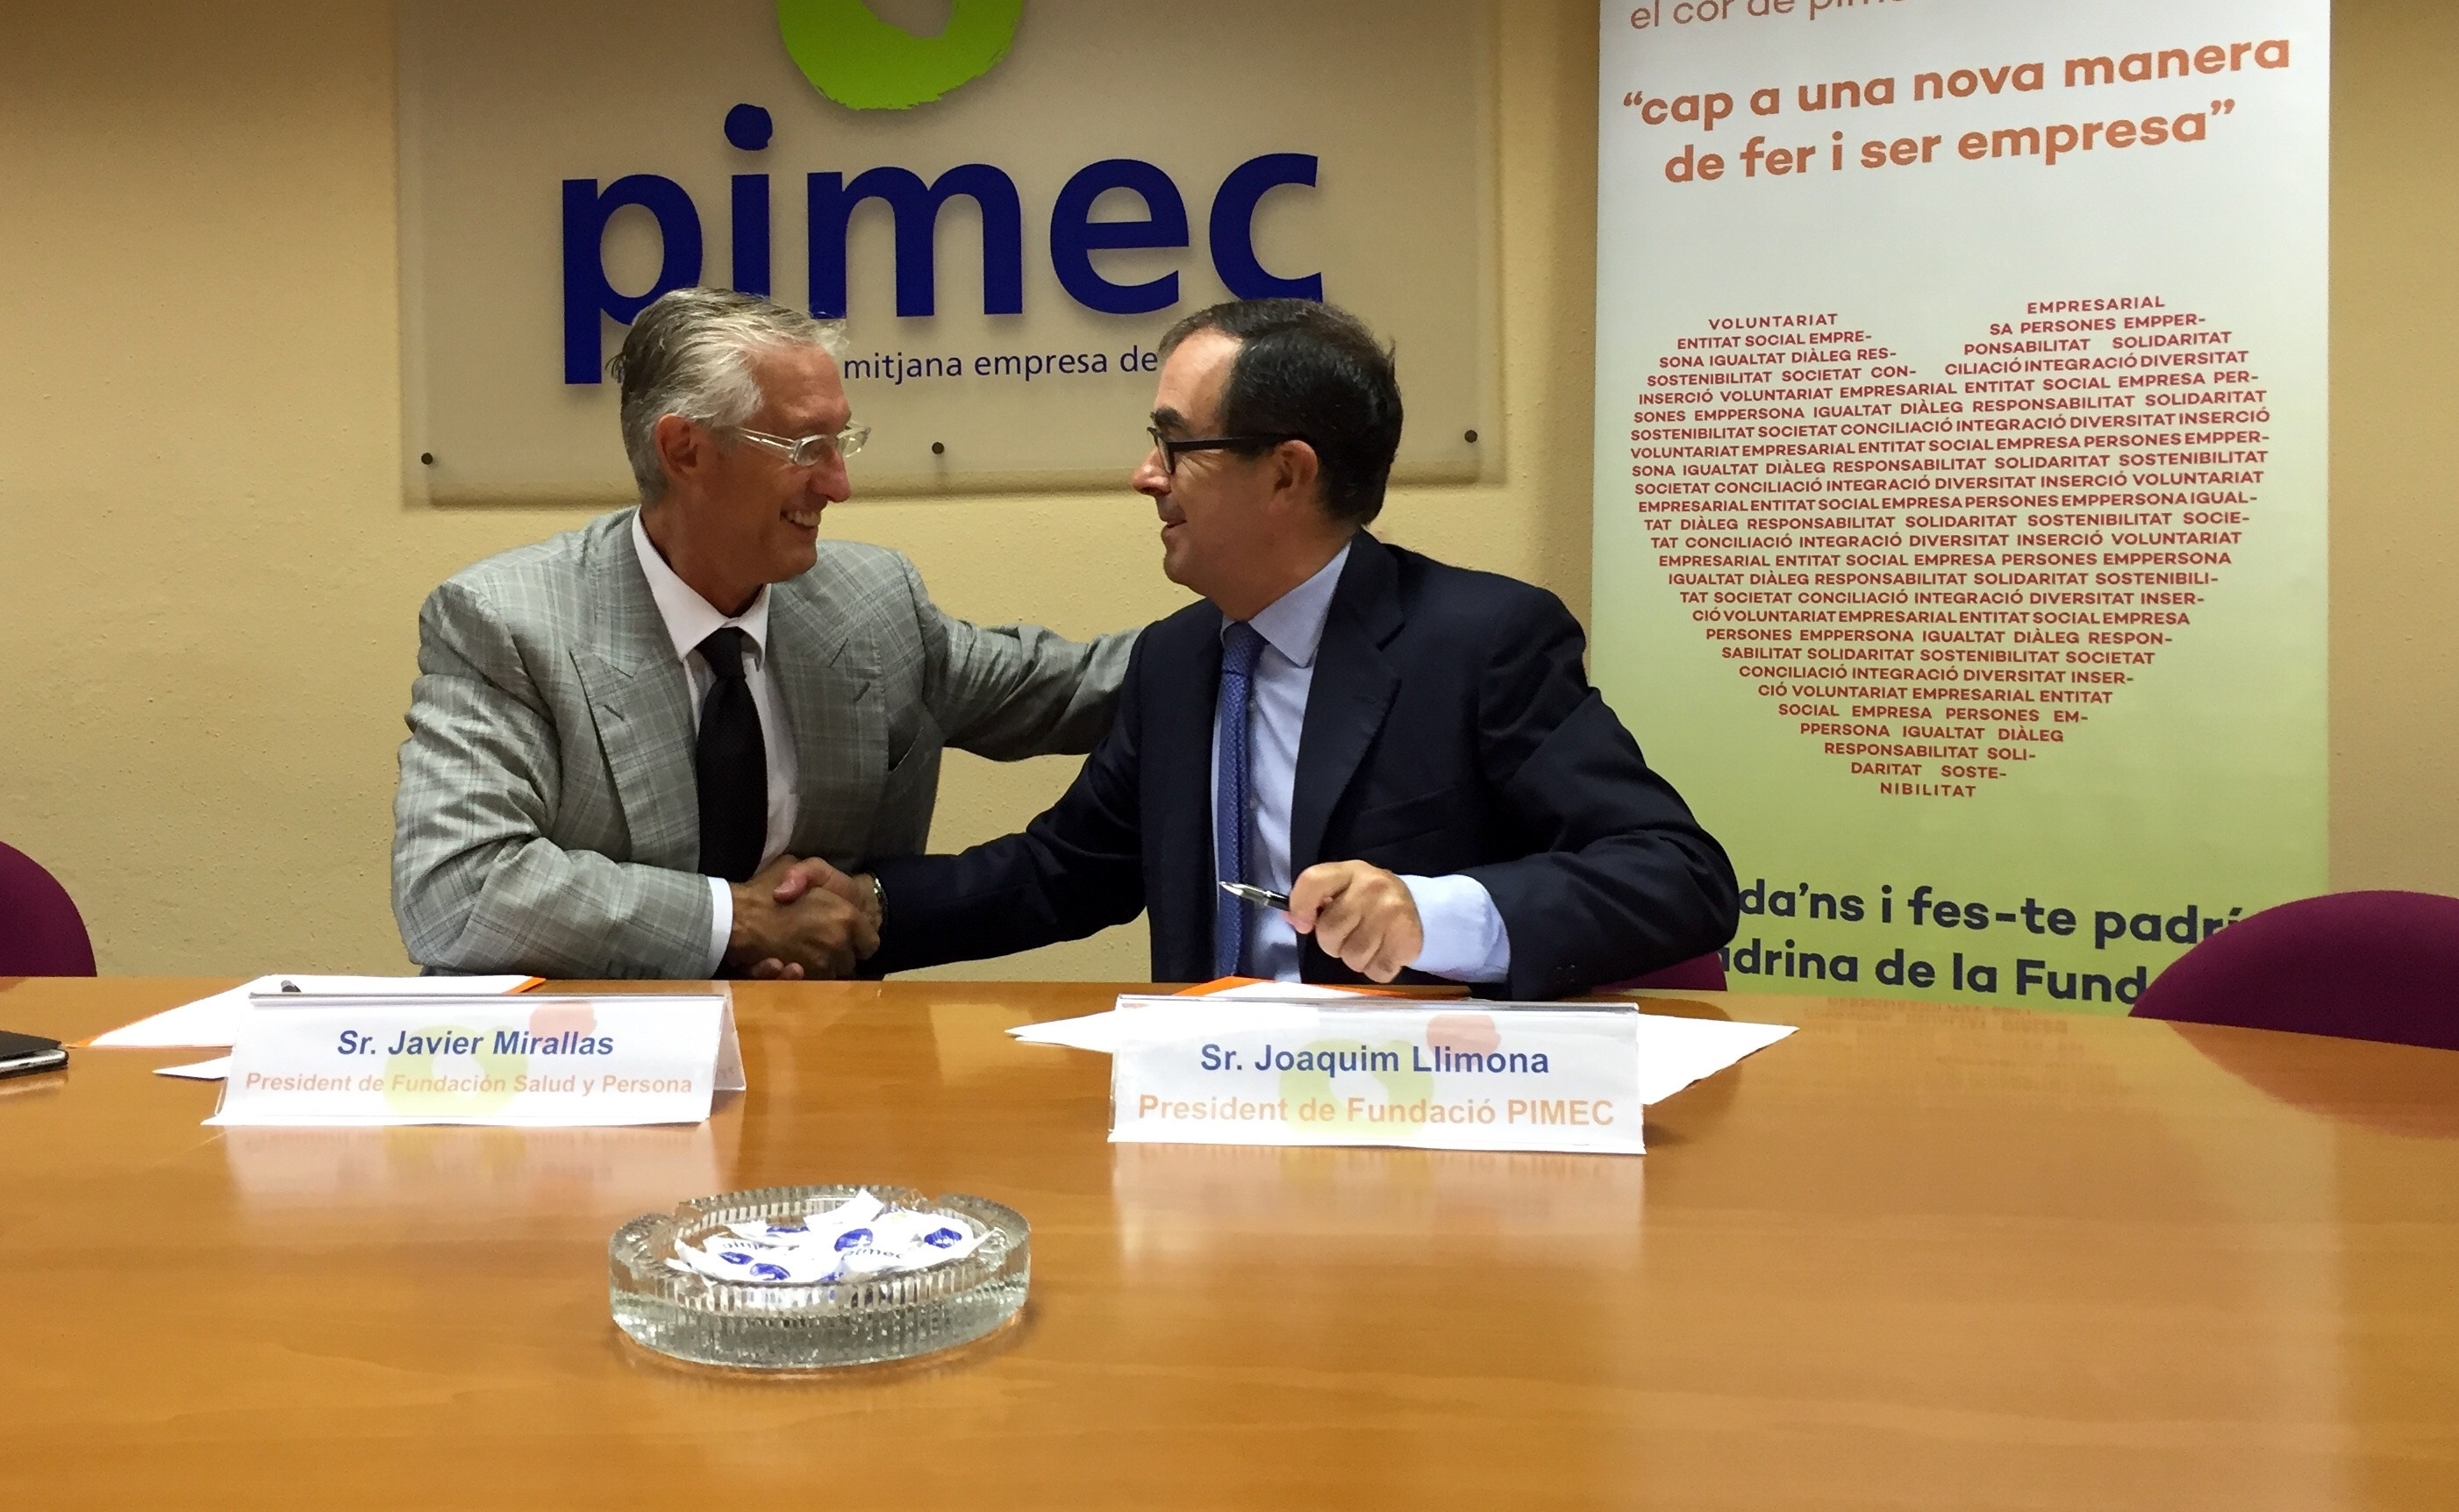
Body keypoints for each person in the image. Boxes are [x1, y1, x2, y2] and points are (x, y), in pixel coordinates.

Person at [831, 298, 1738, 998]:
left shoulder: (1480, 641)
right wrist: (861, 911)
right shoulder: (1176, 661)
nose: (1144, 475)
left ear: (1286, 473)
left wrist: (1432, 912)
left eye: (1174, 445)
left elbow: (1679, 874)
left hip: (1407, 1112)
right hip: (1205, 1099)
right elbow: (1065, 873)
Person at [391, 289, 1134, 980]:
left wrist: (1212, 630)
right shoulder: (508, 622)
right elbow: (458, 886)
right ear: (684, 450)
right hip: (592, 1058)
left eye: (842, 442)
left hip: (824, 1050)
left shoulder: (871, 603)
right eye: (806, 447)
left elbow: (1070, 689)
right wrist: (736, 920)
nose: (838, 484)